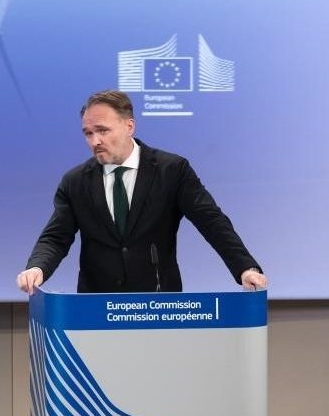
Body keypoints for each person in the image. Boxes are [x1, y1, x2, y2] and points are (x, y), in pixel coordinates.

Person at [17, 90, 267, 295]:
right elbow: (56, 237)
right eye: (88, 133)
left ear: (129, 126)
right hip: (97, 307)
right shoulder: (75, 181)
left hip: (157, 303)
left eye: (102, 131)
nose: (95, 141)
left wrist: (244, 267)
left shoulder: (171, 170)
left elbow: (211, 222)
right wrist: (37, 267)